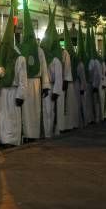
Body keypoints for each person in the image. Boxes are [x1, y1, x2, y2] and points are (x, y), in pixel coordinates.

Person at [0, 0, 28, 146]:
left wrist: (21, 95)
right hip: (2, 92)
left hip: (13, 92)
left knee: (12, 117)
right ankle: (2, 139)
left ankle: (12, 141)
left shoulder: (19, 58)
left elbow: (22, 80)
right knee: (2, 117)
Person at [18, 0, 50, 141]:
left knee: (35, 110)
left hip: (36, 84)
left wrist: (45, 86)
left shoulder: (39, 51)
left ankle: (34, 135)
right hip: (25, 83)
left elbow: (43, 68)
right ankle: (25, 134)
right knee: (25, 111)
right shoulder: (20, 50)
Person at [40, 7, 70, 137]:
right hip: (44, 87)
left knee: (51, 111)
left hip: (52, 88)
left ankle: (50, 133)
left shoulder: (56, 60)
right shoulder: (43, 58)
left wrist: (56, 92)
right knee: (45, 111)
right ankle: (45, 133)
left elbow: (58, 78)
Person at [61, 20, 80, 131]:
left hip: (69, 84)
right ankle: (66, 125)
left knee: (70, 106)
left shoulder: (66, 54)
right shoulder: (61, 53)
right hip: (65, 82)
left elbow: (68, 69)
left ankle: (71, 125)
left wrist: (66, 82)